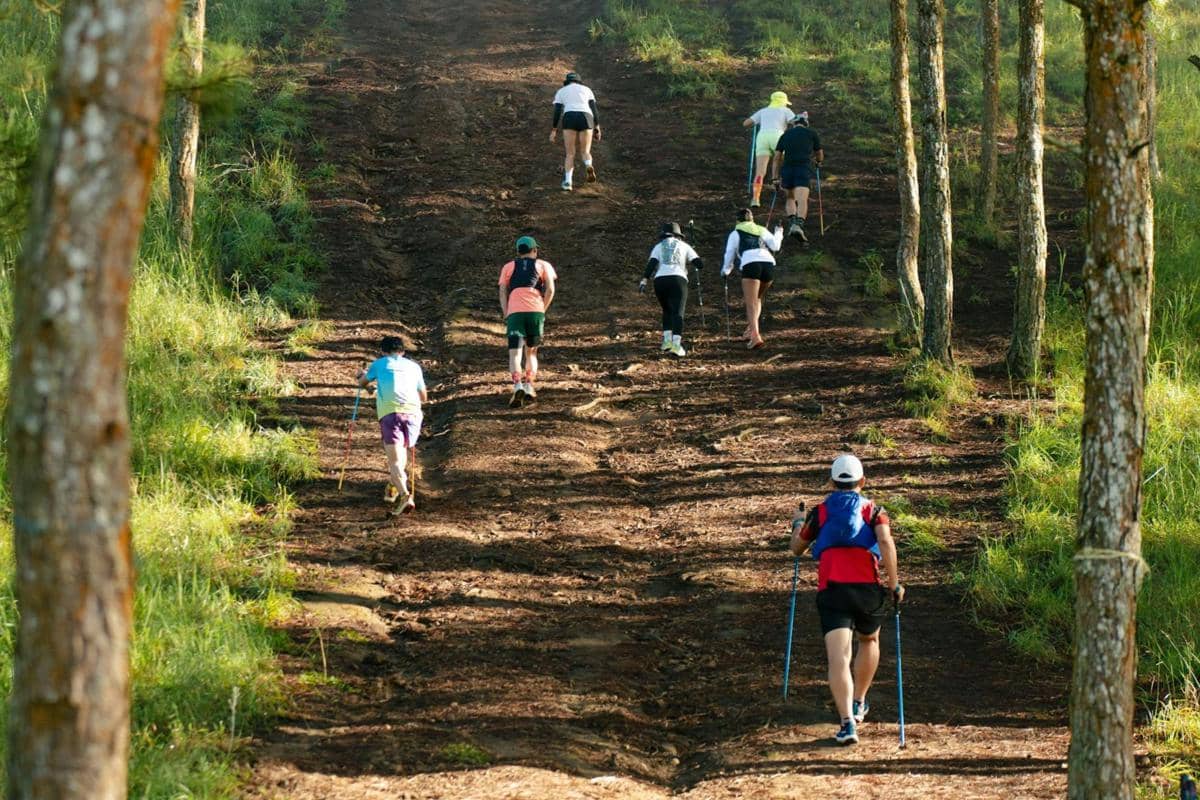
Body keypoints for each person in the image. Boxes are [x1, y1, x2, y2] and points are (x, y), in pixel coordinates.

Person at [789, 454, 904, 746]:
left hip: (833, 590)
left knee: (838, 657)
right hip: (867, 590)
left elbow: (796, 548)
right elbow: (886, 542)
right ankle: (859, 701)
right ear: (862, 482)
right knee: (869, 641)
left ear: (831, 482)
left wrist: (797, 522)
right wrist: (895, 584)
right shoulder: (875, 511)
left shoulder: (821, 512)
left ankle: (846, 723)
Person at [357, 336, 428, 516]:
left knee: (395, 461)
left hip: (391, 414)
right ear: (402, 351)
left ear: (383, 351)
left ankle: (405, 496)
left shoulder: (379, 364)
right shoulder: (414, 367)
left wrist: (361, 376)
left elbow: (363, 383)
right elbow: (424, 397)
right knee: (402, 451)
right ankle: (393, 486)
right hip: (413, 415)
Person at [499, 235, 557, 407]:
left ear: (518, 251)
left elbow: (503, 291)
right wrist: (542, 309)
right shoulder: (543, 265)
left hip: (515, 312)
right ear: (535, 250)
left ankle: (517, 385)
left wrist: (506, 312)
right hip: (535, 311)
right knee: (531, 352)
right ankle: (529, 385)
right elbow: (550, 290)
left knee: (514, 353)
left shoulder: (508, 267)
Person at [721, 208, 783, 349]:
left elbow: (729, 252)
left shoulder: (735, 233)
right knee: (758, 299)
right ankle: (750, 329)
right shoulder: (761, 229)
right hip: (768, 264)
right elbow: (776, 246)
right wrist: (779, 232)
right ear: (752, 219)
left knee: (751, 302)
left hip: (751, 263)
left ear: (737, 221)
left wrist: (726, 270)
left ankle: (755, 336)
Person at [639, 222, 703, 357]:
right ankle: (676, 345)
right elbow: (699, 264)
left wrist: (644, 280)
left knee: (667, 310)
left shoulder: (658, 246)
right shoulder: (685, 246)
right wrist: (695, 256)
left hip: (660, 281)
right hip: (678, 280)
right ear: (678, 235)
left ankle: (667, 342)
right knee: (678, 312)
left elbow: (651, 264)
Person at [775, 111, 824, 243]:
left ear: (794, 123)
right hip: (803, 169)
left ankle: (792, 223)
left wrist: (775, 177)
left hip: (787, 169)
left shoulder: (785, 135)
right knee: (802, 199)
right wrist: (818, 162)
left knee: (790, 198)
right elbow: (819, 153)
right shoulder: (811, 133)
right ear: (805, 123)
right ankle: (798, 225)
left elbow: (777, 158)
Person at [550, 71, 601, 192]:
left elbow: (557, 111)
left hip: (569, 117)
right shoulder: (587, 90)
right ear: (579, 81)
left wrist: (554, 130)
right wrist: (597, 127)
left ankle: (568, 182)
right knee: (585, 151)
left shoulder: (561, 91)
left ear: (567, 81)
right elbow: (594, 109)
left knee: (570, 154)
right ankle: (588, 165)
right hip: (586, 116)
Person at [742, 91, 793, 207]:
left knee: (760, 171)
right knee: (786, 162)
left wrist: (757, 122)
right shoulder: (786, 110)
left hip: (762, 137)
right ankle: (787, 190)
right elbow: (795, 122)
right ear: (784, 102)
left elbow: (746, 123)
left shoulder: (763, 111)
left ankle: (755, 199)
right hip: (778, 136)